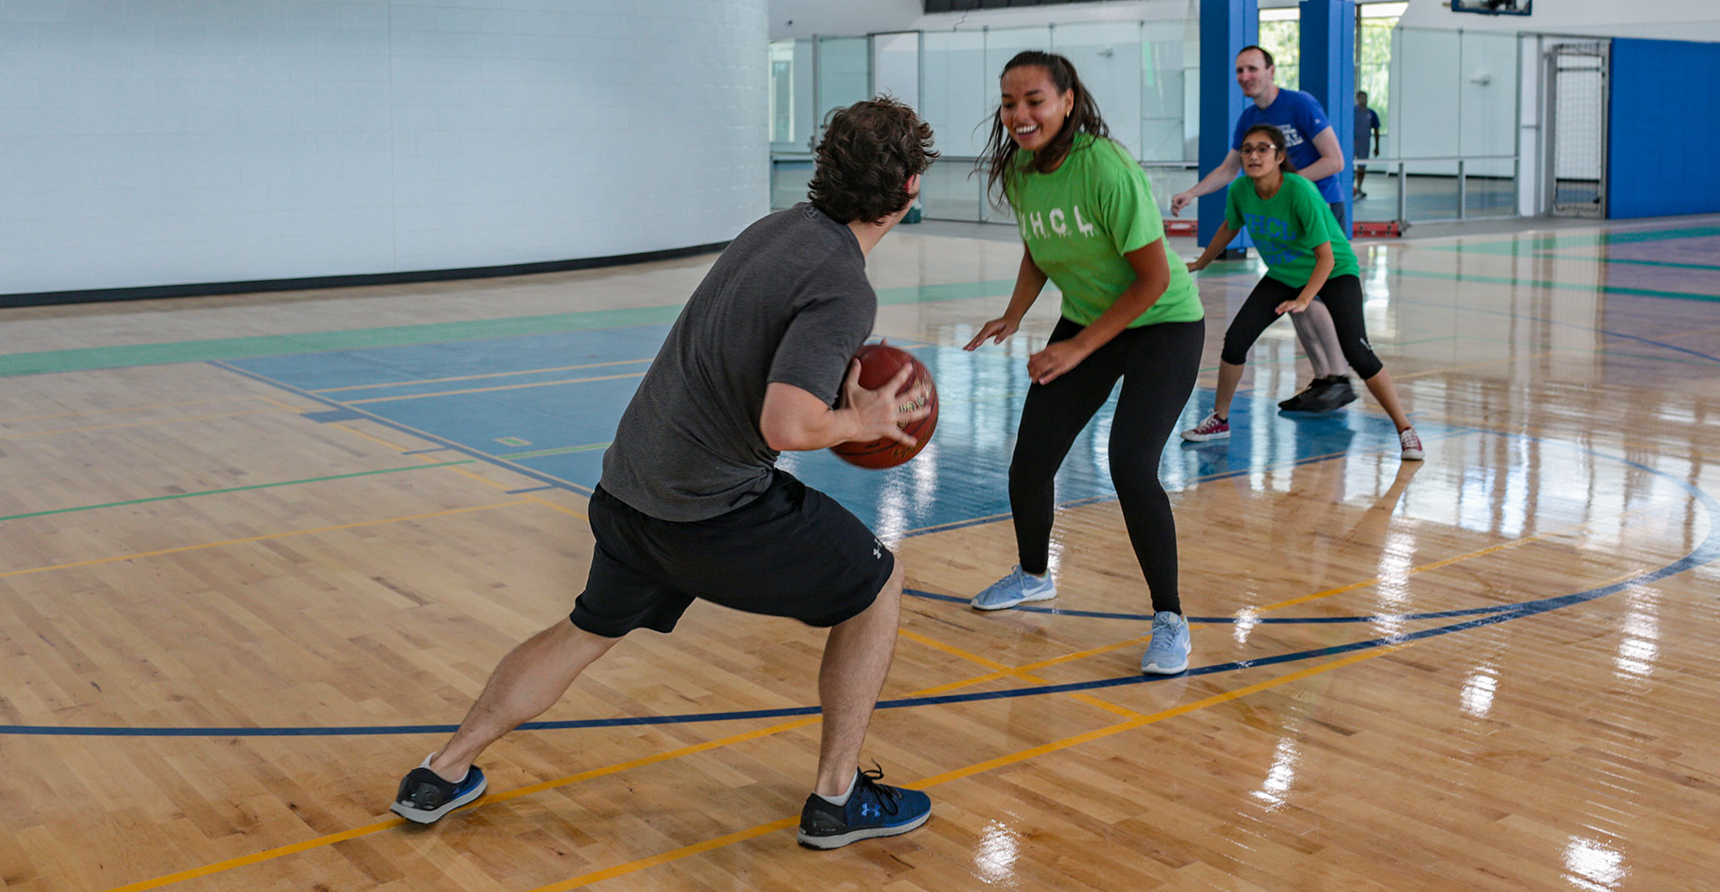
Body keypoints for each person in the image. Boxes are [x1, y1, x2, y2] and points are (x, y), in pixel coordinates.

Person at [390, 98, 938, 851]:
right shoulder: (844, 284)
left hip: (631, 484)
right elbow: (787, 425)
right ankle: (838, 799)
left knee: (587, 628)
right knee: (878, 586)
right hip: (710, 509)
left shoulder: (771, 231)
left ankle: (442, 770)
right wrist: (861, 423)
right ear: (910, 190)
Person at [963, 51, 1206, 676]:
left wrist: (1076, 346)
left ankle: (1170, 619)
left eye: (1034, 100)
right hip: (1093, 320)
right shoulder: (1021, 168)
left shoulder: (1106, 168)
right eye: (1010, 102)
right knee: (1031, 458)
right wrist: (1015, 313)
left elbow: (1152, 279)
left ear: (1067, 101)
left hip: (1164, 324)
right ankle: (1033, 575)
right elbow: (1040, 248)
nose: (1020, 114)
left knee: (1130, 463)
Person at [1179, 123, 1423, 462]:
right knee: (1235, 341)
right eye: (1247, 149)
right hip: (1283, 275)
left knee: (1357, 350)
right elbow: (1229, 226)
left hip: (1335, 272)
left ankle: (1405, 429)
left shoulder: (1299, 191)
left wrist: (1306, 299)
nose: (1253, 155)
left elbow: (1326, 256)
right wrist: (1202, 262)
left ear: (1279, 157)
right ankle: (1219, 420)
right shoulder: (1240, 191)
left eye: (1262, 149)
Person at [1171, 45, 1356, 415]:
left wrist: (1284, 187)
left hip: (1316, 206)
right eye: (1239, 70)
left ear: (1271, 71)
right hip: (1284, 210)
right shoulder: (1248, 121)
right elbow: (1228, 169)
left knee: (1310, 296)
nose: (1245, 76)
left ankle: (1340, 376)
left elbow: (1334, 160)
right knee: (1292, 299)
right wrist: (1193, 192)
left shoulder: (1300, 104)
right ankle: (1323, 379)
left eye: (1252, 69)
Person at [1353, 90, 1381, 201]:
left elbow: (1376, 130)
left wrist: (1377, 146)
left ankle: (1359, 187)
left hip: (1364, 144)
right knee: (1349, 166)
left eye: (1365, 97)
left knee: (1362, 167)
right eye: (1361, 98)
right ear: (1357, 99)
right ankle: (1350, 187)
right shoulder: (1352, 112)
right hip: (1352, 143)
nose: (1364, 100)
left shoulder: (1371, 114)